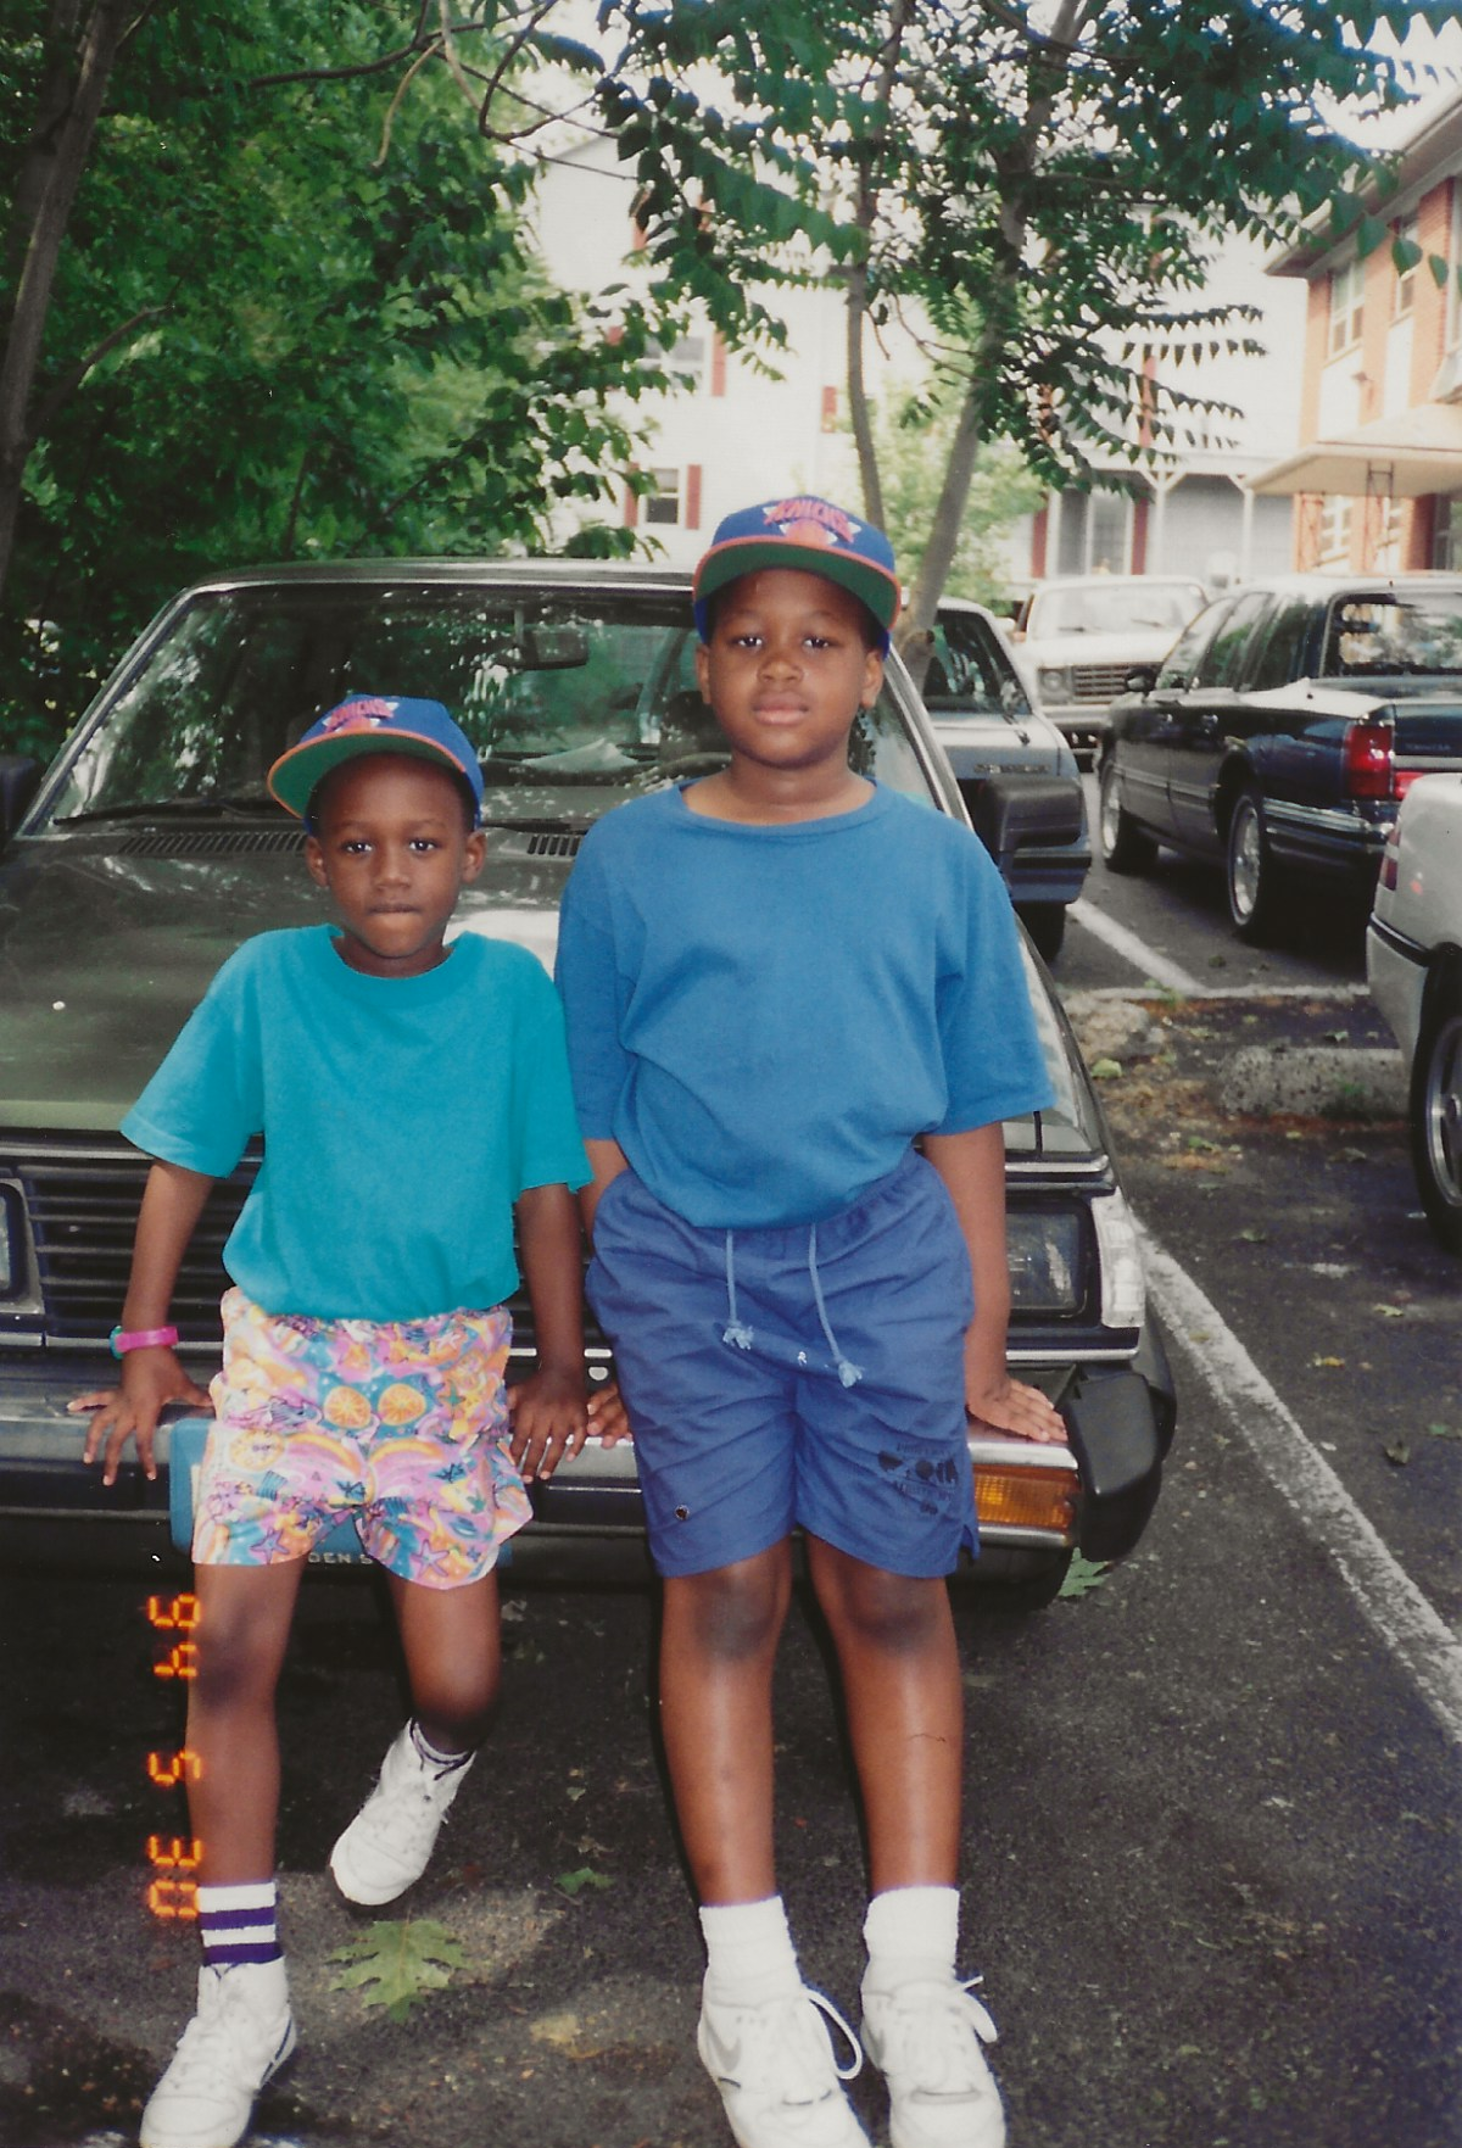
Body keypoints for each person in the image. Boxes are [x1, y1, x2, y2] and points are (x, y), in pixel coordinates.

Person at [554, 498, 1067, 2148]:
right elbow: (593, 1108)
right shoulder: (632, 851)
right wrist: (609, 1312)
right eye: (749, 635)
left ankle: (914, 1981)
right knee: (721, 1594)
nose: (783, 666)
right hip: (684, 1276)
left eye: (821, 638)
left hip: (885, 1269)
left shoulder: (932, 859)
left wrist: (979, 1345)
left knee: (890, 1592)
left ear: (871, 666)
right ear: (701, 666)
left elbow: (974, 1119)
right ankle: (751, 1990)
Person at [71, 696, 591, 2148]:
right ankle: (242, 1994)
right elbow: (180, 1160)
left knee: (465, 1680)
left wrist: (557, 1362)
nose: (389, 871)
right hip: (286, 1363)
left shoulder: (506, 997)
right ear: (314, 863)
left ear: (471, 854)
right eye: (355, 845)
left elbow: (547, 1185)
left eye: (421, 841)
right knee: (231, 1658)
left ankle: (427, 1766)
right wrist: (142, 1345)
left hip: (443, 1375)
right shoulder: (263, 980)